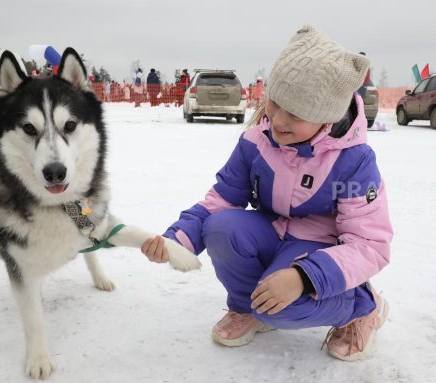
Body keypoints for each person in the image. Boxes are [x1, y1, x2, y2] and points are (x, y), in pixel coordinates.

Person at [141, 25, 393, 361]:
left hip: (317, 250)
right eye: (275, 103)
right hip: (272, 232)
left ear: (326, 118)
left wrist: (305, 277)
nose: (278, 121)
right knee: (220, 227)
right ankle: (248, 308)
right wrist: (178, 240)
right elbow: (222, 199)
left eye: (296, 114)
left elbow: (370, 244)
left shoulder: (353, 160)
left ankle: (361, 307)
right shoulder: (255, 142)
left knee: (280, 308)